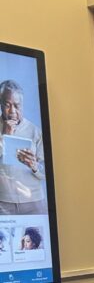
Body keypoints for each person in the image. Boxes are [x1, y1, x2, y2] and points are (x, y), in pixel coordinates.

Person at [0, 80, 46, 215]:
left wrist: (34, 166)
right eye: (7, 105)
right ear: (1, 104)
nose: (12, 111)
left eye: (17, 106)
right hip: (3, 202)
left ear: (22, 105)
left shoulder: (35, 131)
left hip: (34, 201)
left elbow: (45, 173)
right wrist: (5, 136)